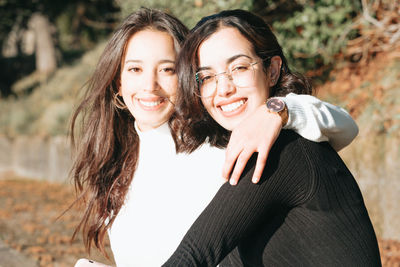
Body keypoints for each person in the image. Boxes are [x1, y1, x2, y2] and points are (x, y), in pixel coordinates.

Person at [70, 8, 360, 266]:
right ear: (118, 82)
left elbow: (343, 127)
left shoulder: (229, 145)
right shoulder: (115, 169)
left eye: (168, 69)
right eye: (135, 69)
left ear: (185, 77)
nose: (149, 85)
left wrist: (280, 110)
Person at [163, 9, 381, 266]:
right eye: (207, 77)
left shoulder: (285, 150)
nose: (224, 88)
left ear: (273, 70)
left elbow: (192, 256)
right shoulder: (252, 154)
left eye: (239, 67)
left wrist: (278, 111)